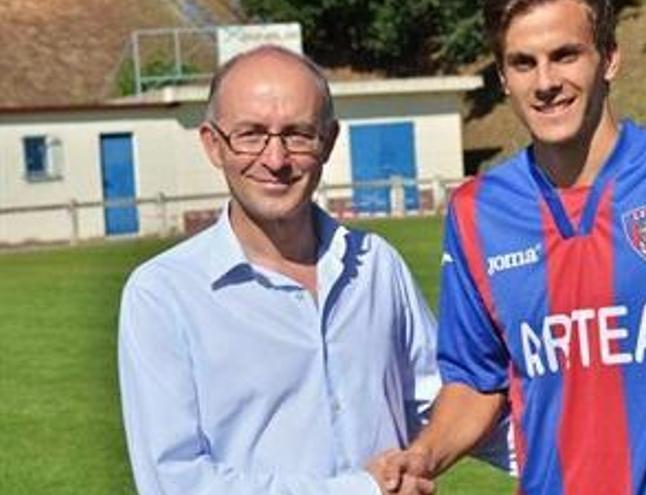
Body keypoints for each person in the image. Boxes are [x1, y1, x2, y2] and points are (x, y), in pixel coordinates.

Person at [381, 1, 646, 494]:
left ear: (610, 58)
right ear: (503, 77)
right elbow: (475, 381)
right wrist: (424, 454)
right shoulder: (477, 212)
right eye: (523, 63)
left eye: (565, 55)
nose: (545, 82)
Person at [118, 45, 442, 494]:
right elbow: (176, 482)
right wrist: (361, 490)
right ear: (214, 144)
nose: (275, 159)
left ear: (327, 142)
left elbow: (442, 398)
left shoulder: (375, 266)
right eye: (251, 134)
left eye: (297, 134)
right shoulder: (163, 294)